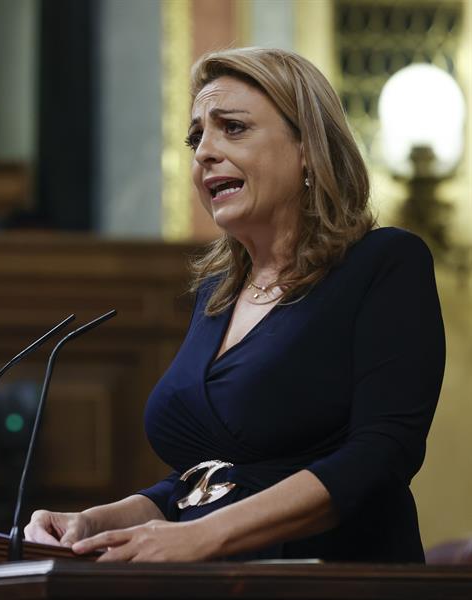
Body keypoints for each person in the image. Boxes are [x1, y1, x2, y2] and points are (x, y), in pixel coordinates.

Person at [24, 47, 445, 563]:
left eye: (234, 128)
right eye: (196, 136)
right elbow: (206, 482)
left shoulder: (384, 263)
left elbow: (381, 455)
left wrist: (201, 537)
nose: (203, 152)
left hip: (333, 576)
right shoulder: (217, 293)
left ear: (308, 147)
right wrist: (92, 521)